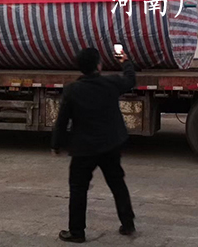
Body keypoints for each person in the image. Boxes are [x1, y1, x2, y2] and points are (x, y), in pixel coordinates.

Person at [51, 47, 137, 243]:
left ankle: (76, 232)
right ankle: (128, 224)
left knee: (78, 188)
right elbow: (130, 80)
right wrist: (125, 61)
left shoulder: (72, 90)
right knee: (117, 183)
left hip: (83, 148)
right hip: (110, 144)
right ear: (99, 65)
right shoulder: (111, 83)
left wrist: (56, 145)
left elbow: (62, 121)